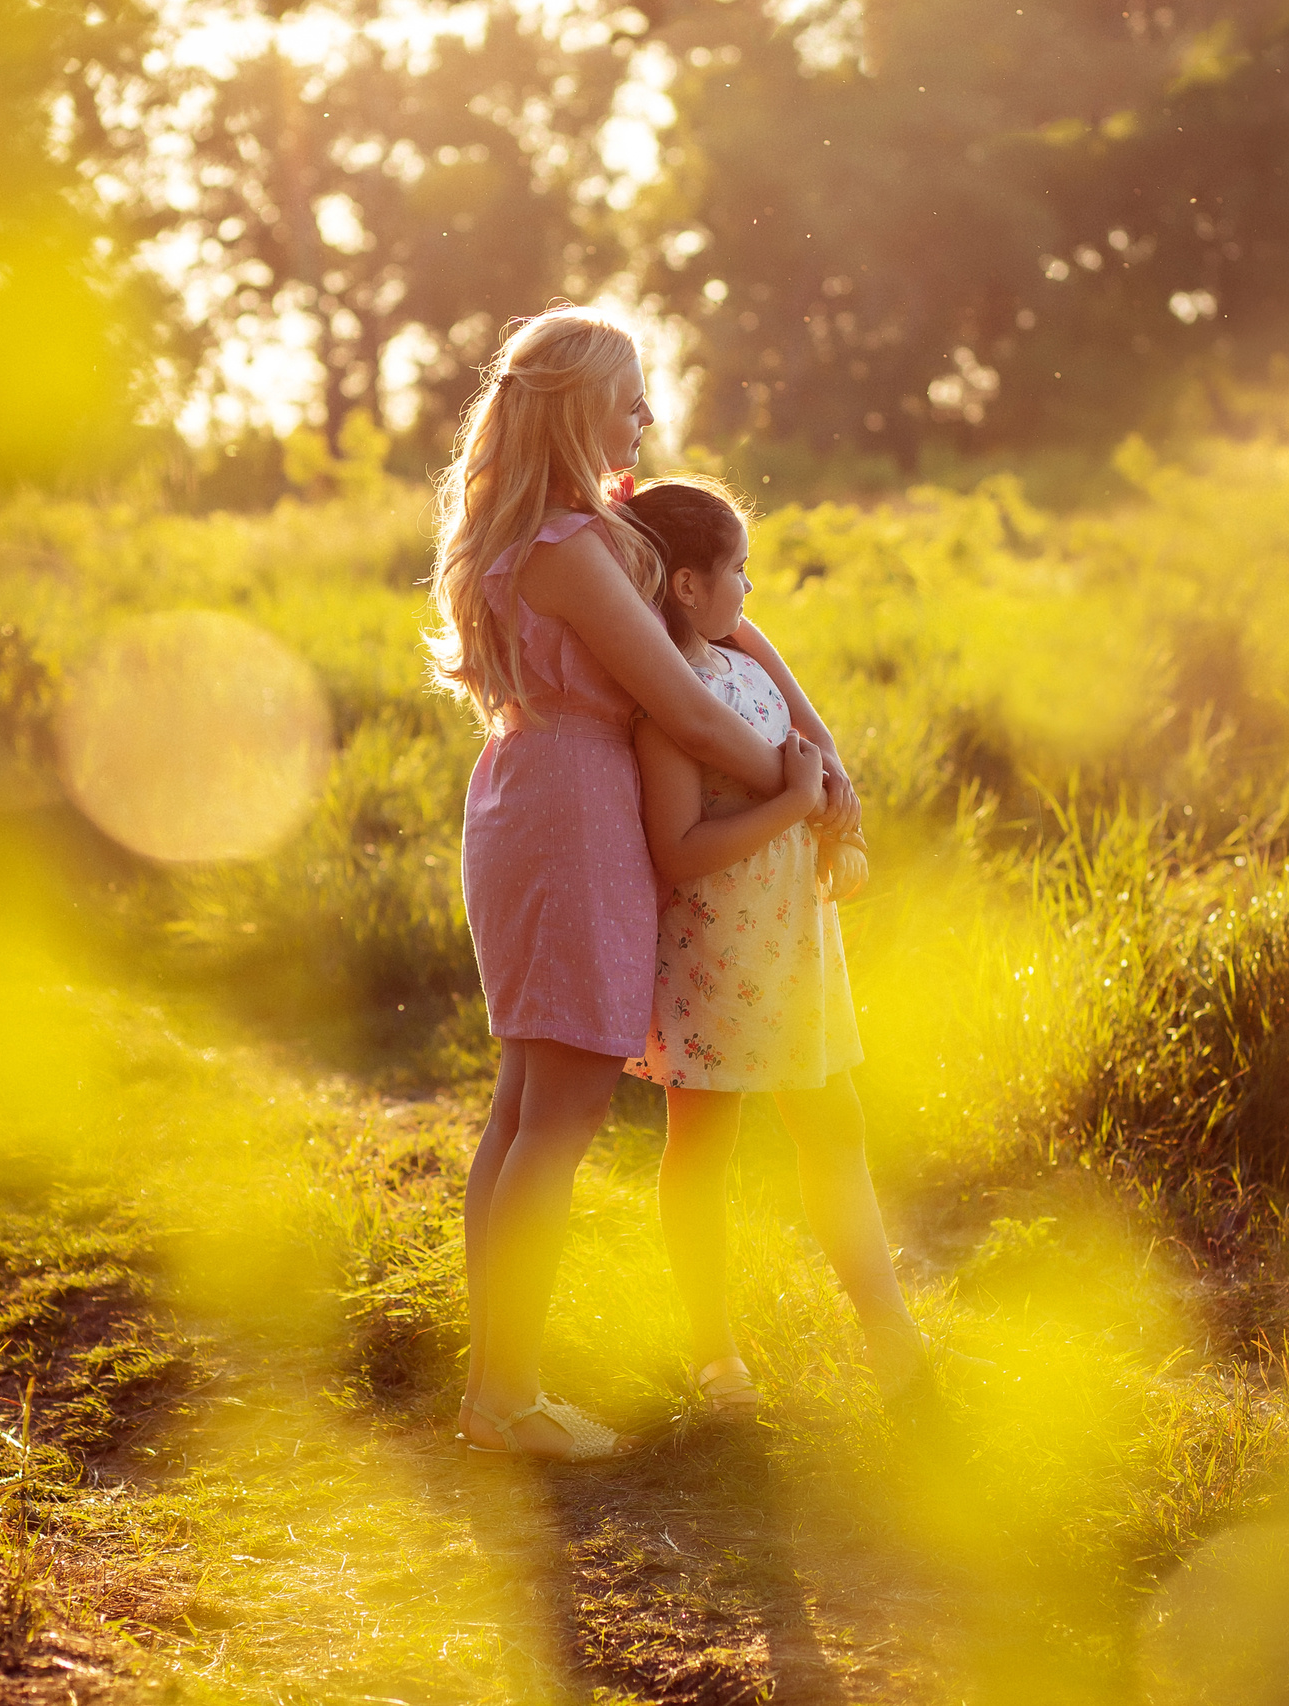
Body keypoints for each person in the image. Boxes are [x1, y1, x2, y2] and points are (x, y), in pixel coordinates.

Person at [425, 306, 860, 1462]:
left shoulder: (536, 537)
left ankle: (495, 1386)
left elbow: (730, 631)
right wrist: (797, 782)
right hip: (572, 818)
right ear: (578, 410)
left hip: (535, 795)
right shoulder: (568, 547)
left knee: (527, 1109)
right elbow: (678, 701)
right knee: (553, 1115)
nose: (648, 420)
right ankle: (505, 1398)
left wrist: (814, 760)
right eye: (630, 402)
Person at [620, 477, 930, 1413]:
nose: (749, 592)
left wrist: (837, 830)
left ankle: (894, 1339)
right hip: (717, 963)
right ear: (684, 585)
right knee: (704, 1144)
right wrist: (795, 804)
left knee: (834, 1126)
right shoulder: (665, 711)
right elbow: (677, 850)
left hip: (798, 952)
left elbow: (812, 762)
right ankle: (715, 1357)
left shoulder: (741, 668)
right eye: (739, 572)